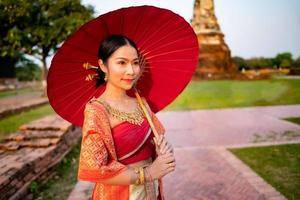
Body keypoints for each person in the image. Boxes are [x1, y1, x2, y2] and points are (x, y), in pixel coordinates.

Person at [77, 35, 176, 200]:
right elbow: (94, 168)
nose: (131, 71)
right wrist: (148, 173)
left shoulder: (141, 103)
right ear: (103, 65)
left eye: (135, 62)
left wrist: (162, 150)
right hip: (118, 194)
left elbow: (155, 142)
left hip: (151, 192)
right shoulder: (97, 111)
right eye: (122, 62)